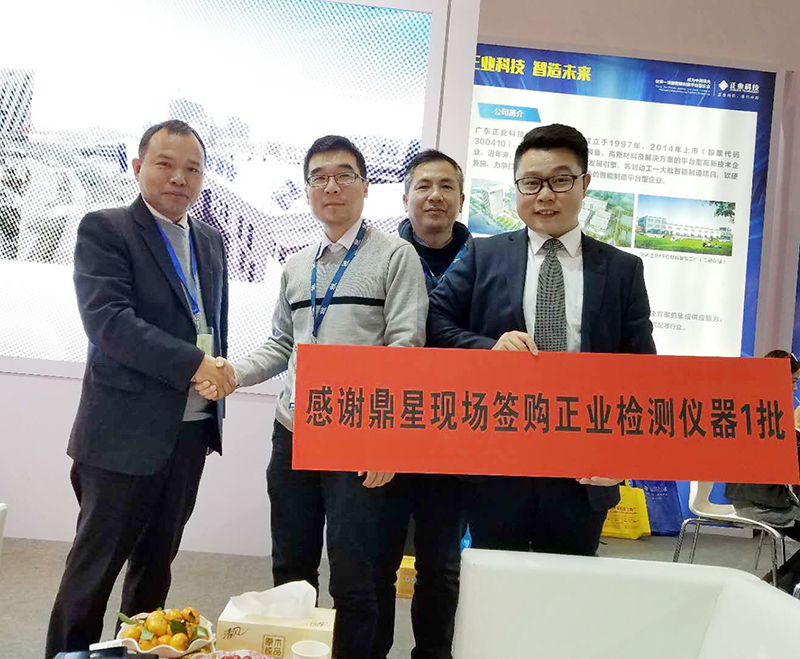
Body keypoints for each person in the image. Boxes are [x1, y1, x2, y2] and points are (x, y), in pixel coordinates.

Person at [197, 135, 427, 659]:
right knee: (291, 568)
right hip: (293, 432)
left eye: (344, 175)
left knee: (354, 574)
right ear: (306, 190)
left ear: (365, 187)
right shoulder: (296, 265)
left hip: (355, 437)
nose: (332, 186)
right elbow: (282, 345)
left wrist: (386, 439)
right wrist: (233, 372)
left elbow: (405, 350)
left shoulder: (397, 257)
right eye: (319, 177)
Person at [45, 120, 234, 659]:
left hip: (191, 430)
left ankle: (141, 654)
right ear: (137, 167)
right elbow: (109, 323)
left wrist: (216, 369)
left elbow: (208, 321)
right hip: (121, 435)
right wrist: (195, 362)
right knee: (93, 571)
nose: (179, 178)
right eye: (165, 164)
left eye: (192, 168)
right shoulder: (106, 229)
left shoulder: (210, 240)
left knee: (155, 569)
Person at [427, 123, 656, 557]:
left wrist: (622, 455)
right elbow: (434, 320)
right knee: (495, 582)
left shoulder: (623, 270)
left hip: (584, 463)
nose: (545, 195)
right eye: (531, 183)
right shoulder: (483, 255)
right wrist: (488, 347)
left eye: (560, 180)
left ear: (585, 184)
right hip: (498, 455)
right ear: (516, 187)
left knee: (567, 587)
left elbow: (641, 368)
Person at [373, 150, 471, 659]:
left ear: (461, 197)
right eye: (424, 186)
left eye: (446, 186)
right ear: (405, 196)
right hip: (388, 427)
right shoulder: (378, 256)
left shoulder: (485, 260)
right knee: (378, 560)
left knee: (442, 563)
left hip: (452, 434)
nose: (435, 196)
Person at [726, 350, 800, 592]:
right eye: (792, 381)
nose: (794, 389)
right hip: (761, 502)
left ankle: (776, 582)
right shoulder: (764, 413)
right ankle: (781, 584)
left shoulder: (754, 406)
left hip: (761, 497)